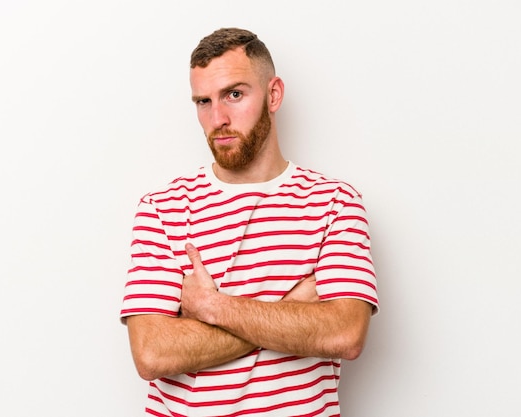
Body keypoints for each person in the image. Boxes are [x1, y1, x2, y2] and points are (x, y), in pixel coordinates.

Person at [121, 27, 379, 416]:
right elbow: (152, 354)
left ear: (273, 94)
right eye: (203, 101)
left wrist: (211, 306)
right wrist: (291, 310)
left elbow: (345, 333)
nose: (218, 118)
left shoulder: (334, 202)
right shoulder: (163, 207)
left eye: (234, 94)